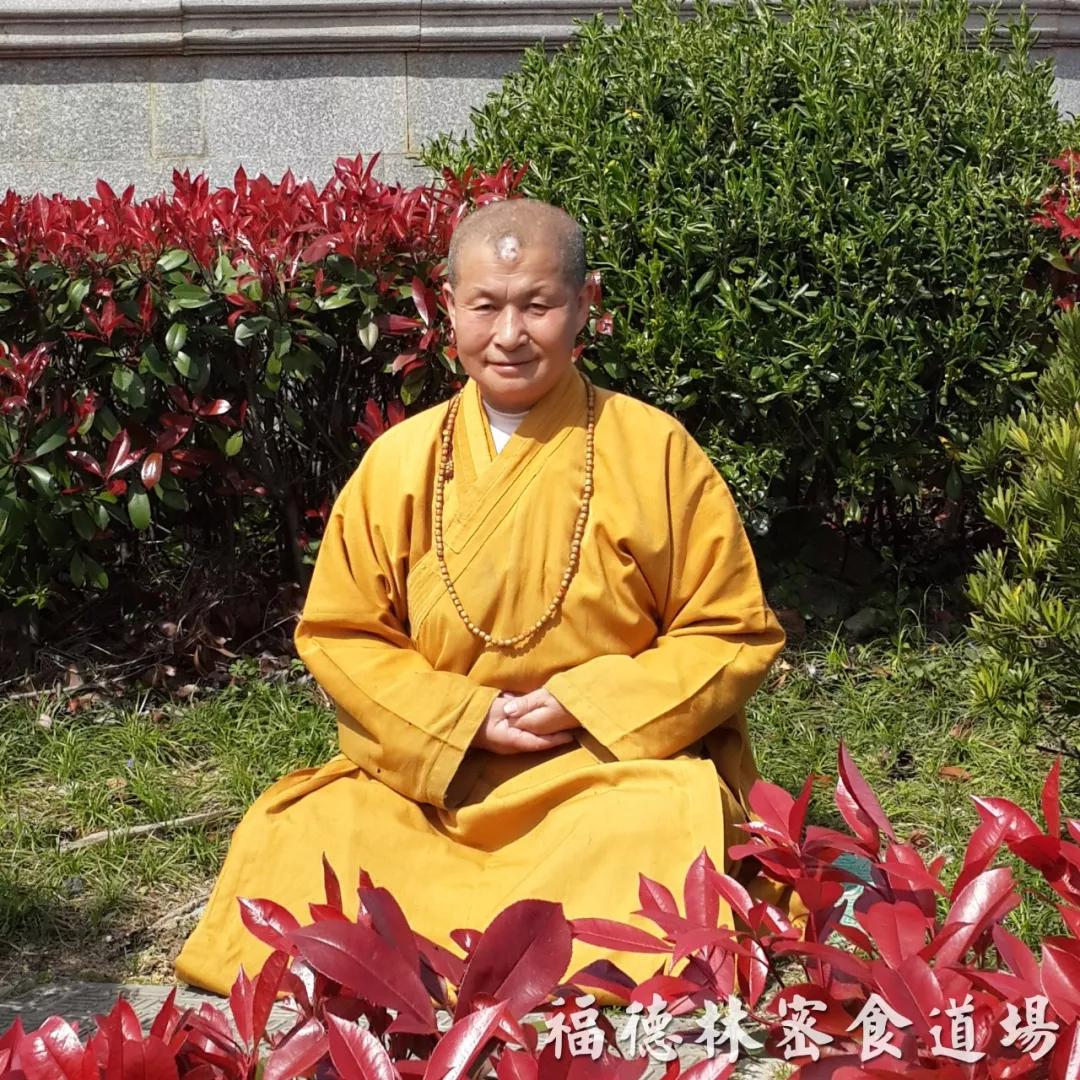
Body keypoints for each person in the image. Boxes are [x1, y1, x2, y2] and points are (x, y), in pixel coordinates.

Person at [175, 198, 790, 999]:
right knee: (308, 828)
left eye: (537, 305)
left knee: (661, 821)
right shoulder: (400, 461)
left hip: (600, 769)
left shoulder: (656, 451)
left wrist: (585, 703)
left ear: (585, 304)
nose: (509, 334)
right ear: (448, 306)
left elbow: (730, 633)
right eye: (485, 306)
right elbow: (342, 634)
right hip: (438, 774)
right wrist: (463, 718)